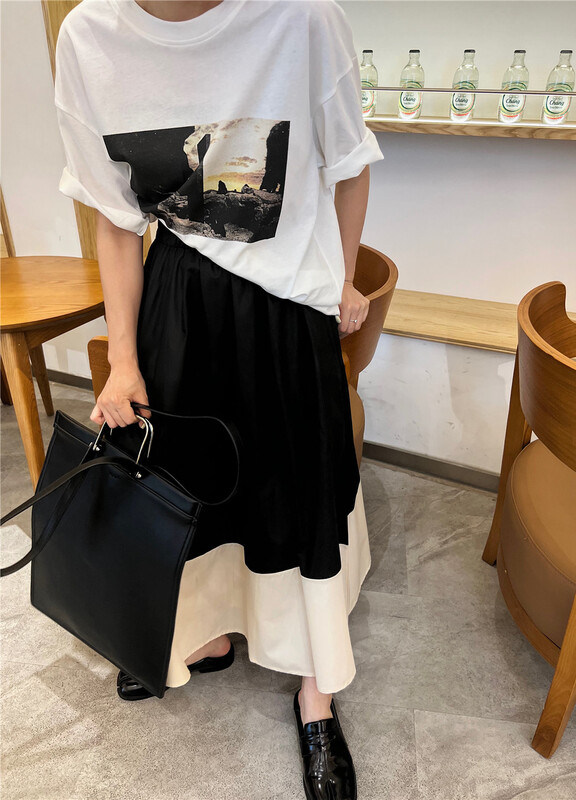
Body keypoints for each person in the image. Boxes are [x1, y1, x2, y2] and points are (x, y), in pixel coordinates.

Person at [53, 1, 384, 797]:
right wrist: (122, 359)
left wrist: (339, 278)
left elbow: (349, 164)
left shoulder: (301, 19)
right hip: (178, 302)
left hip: (284, 313)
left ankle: (315, 691)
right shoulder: (90, 38)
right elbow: (116, 220)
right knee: (189, 489)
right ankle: (204, 634)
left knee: (294, 495)